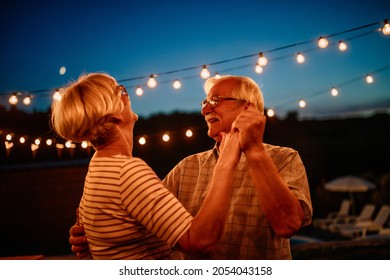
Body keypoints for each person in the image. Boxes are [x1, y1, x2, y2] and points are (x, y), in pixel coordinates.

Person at [69, 75, 313, 259]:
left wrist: (255, 151)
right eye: (205, 102)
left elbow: (288, 225)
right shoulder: (187, 167)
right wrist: (95, 234)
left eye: (215, 100)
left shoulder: (284, 159)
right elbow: (142, 219)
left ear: (247, 107)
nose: (205, 109)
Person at [51, 72, 241, 260]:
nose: (127, 94)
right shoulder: (127, 172)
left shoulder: (97, 167)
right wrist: (225, 163)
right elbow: (200, 242)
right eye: (121, 91)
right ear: (115, 114)